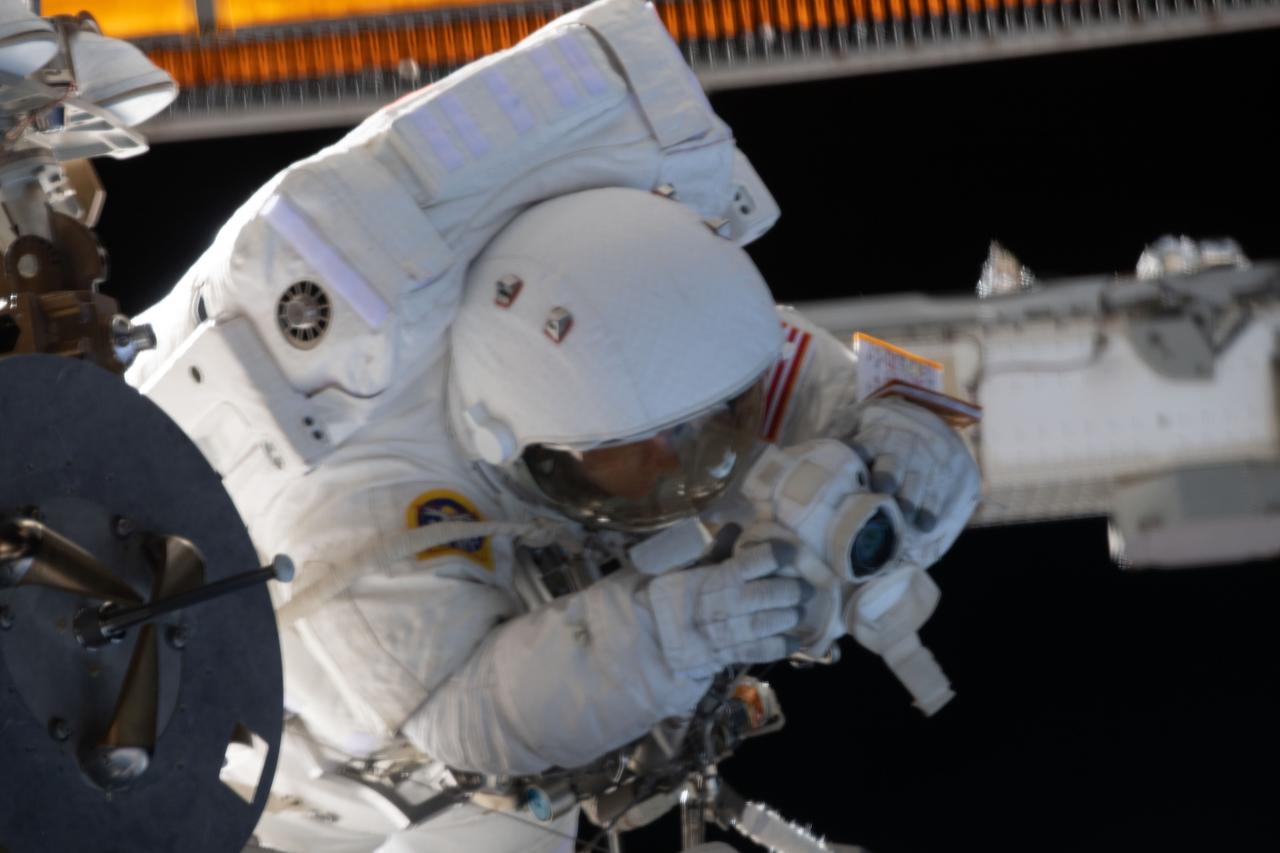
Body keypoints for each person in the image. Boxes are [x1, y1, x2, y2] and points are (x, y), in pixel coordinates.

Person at [126, 2, 979, 851]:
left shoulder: (668, 328)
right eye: (641, 456)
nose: (693, 467)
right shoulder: (361, 502)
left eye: (714, 427)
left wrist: (916, 460)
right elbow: (459, 717)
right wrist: (664, 637)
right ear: (523, 450)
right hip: (318, 780)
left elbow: (869, 400)